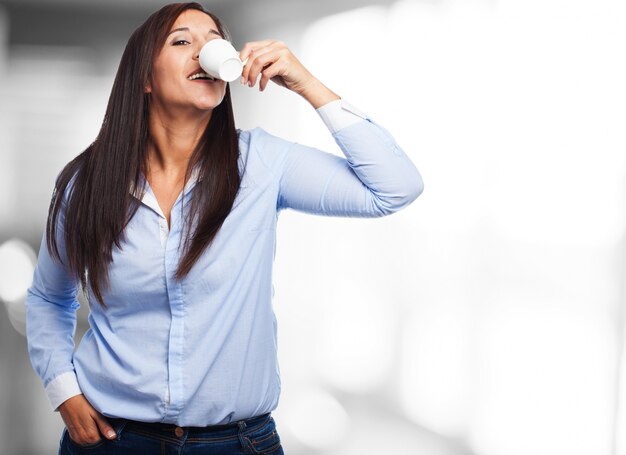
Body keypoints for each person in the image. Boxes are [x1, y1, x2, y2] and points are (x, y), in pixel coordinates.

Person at [25, 2, 424, 454]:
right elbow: (47, 296)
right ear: (145, 79)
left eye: (213, 39)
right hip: (113, 440)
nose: (205, 50)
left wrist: (305, 83)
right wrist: (65, 392)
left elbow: (395, 188)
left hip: (237, 443)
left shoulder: (261, 164)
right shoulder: (87, 184)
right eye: (181, 41)